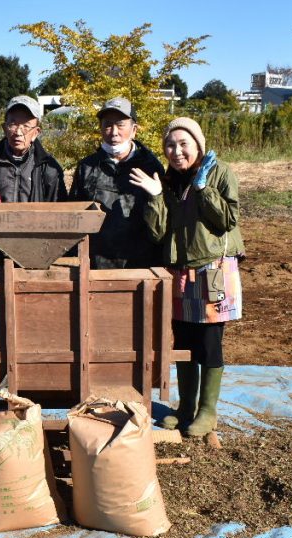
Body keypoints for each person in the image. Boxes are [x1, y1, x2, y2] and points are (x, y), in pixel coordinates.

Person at [130, 116, 245, 438]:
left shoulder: (219, 172)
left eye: (184, 144)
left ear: (198, 144)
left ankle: (208, 412)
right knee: (183, 341)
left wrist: (204, 188)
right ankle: (186, 407)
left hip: (213, 268)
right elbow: (158, 233)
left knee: (209, 342)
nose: (176, 151)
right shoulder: (169, 180)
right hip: (180, 271)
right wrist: (155, 196)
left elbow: (227, 219)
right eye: (170, 144)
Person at [70, 97, 164, 269]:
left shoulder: (151, 167)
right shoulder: (87, 167)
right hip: (96, 265)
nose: (113, 132)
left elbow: (162, 224)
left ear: (134, 130)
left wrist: (156, 194)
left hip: (140, 266)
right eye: (107, 124)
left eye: (120, 125)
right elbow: (74, 218)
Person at [0, 95, 67, 203]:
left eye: (26, 126)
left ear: (36, 132)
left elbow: (59, 212)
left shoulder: (49, 169)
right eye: (13, 124)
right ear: (5, 128)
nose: (18, 132)